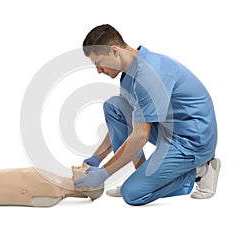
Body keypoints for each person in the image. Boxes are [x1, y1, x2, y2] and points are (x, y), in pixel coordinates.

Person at [74, 24, 221, 205]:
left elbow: (141, 135)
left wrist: (104, 173)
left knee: (133, 194)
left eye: (99, 63)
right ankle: (144, 177)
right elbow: (126, 123)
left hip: (191, 141)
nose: (98, 70)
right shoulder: (129, 74)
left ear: (114, 51)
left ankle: (201, 170)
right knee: (115, 107)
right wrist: (96, 158)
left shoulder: (150, 74)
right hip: (168, 129)